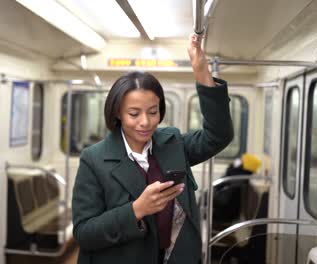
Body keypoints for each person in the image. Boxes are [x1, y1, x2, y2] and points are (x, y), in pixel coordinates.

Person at [72, 33, 234, 264]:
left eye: (153, 111)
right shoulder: (94, 159)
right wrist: (137, 209)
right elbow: (84, 232)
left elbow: (219, 135)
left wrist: (202, 74)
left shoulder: (173, 143)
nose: (145, 122)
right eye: (134, 114)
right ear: (117, 113)